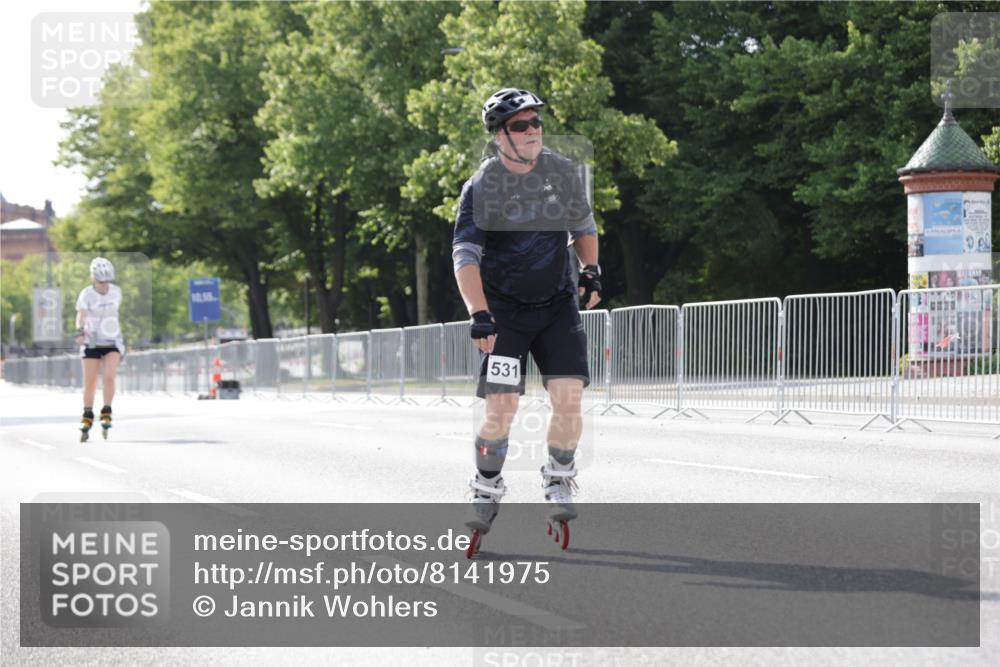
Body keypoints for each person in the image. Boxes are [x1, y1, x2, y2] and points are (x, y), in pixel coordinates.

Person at [452, 88, 602, 551]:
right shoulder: (482, 187)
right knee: (501, 410)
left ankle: (558, 477)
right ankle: (485, 488)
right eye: (520, 124)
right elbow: (465, 253)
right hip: (505, 315)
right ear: (500, 136)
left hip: (556, 306)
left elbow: (583, 225)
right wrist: (479, 314)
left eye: (536, 121)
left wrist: (592, 270)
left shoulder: (560, 171)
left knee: (569, 396)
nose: (533, 130)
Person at [75, 257, 125, 441]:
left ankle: (107, 409)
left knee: (110, 376)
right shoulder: (86, 294)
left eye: (107, 282)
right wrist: (80, 331)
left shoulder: (116, 292)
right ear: (93, 279)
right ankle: (87, 415)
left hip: (112, 340)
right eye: (100, 282)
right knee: (90, 381)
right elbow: (81, 315)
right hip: (92, 341)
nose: (104, 285)